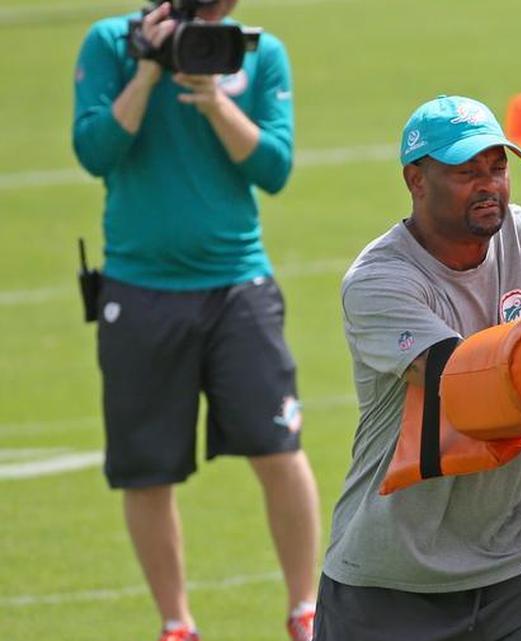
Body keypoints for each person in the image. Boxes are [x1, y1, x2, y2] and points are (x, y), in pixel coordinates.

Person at [71, 2, 320, 640]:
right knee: (147, 468)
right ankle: (176, 625)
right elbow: (94, 151)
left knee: (279, 448)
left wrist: (212, 99)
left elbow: (274, 168)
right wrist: (149, 70)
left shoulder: (257, 50)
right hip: (139, 288)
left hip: (238, 284)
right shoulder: (110, 42)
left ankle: (306, 611)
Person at [314, 95, 521, 641]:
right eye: (467, 172)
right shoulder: (379, 282)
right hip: (398, 574)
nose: (489, 184)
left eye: (497, 168)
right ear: (415, 180)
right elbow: (472, 384)